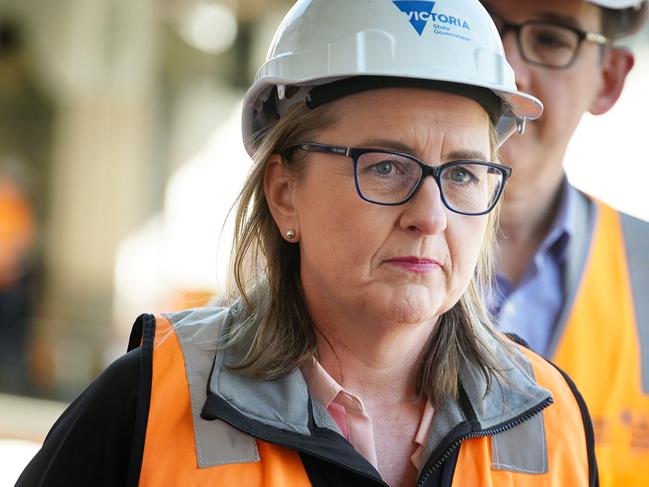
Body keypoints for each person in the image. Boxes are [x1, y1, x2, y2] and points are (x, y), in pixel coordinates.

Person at [17, 1, 597, 485]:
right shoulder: (144, 406)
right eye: (387, 167)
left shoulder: (550, 420)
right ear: (284, 193)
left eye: (464, 173)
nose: (430, 215)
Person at [479, 1, 649, 485]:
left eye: (551, 38)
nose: (506, 68)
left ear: (609, 78)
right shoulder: (352, 262)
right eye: (481, 24)